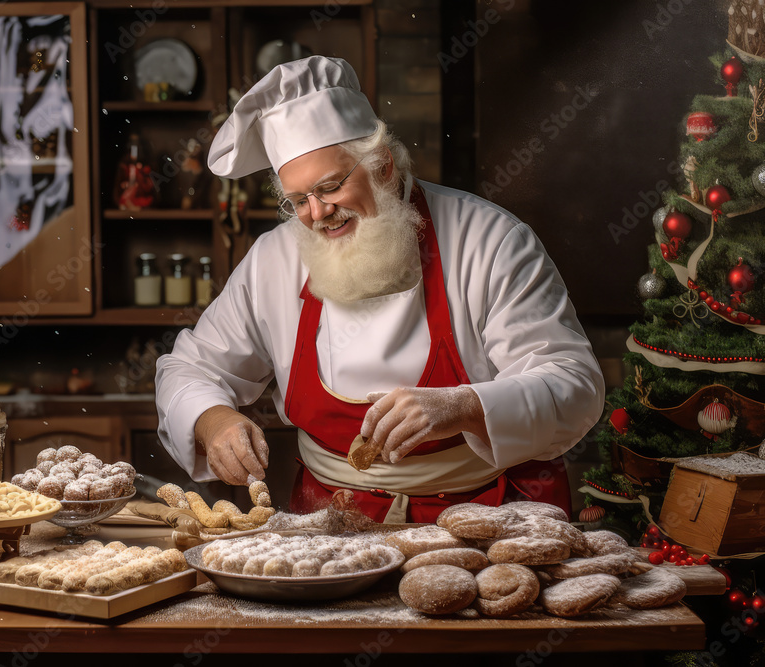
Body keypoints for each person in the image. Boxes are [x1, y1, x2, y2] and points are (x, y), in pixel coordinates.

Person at [154, 56, 604, 523]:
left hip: (482, 517)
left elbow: (575, 383)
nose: (317, 213)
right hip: (328, 526)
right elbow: (188, 368)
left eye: (329, 187)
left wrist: (466, 406)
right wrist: (214, 420)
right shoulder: (275, 259)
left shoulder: (489, 240)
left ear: (384, 166)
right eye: (296, 201)